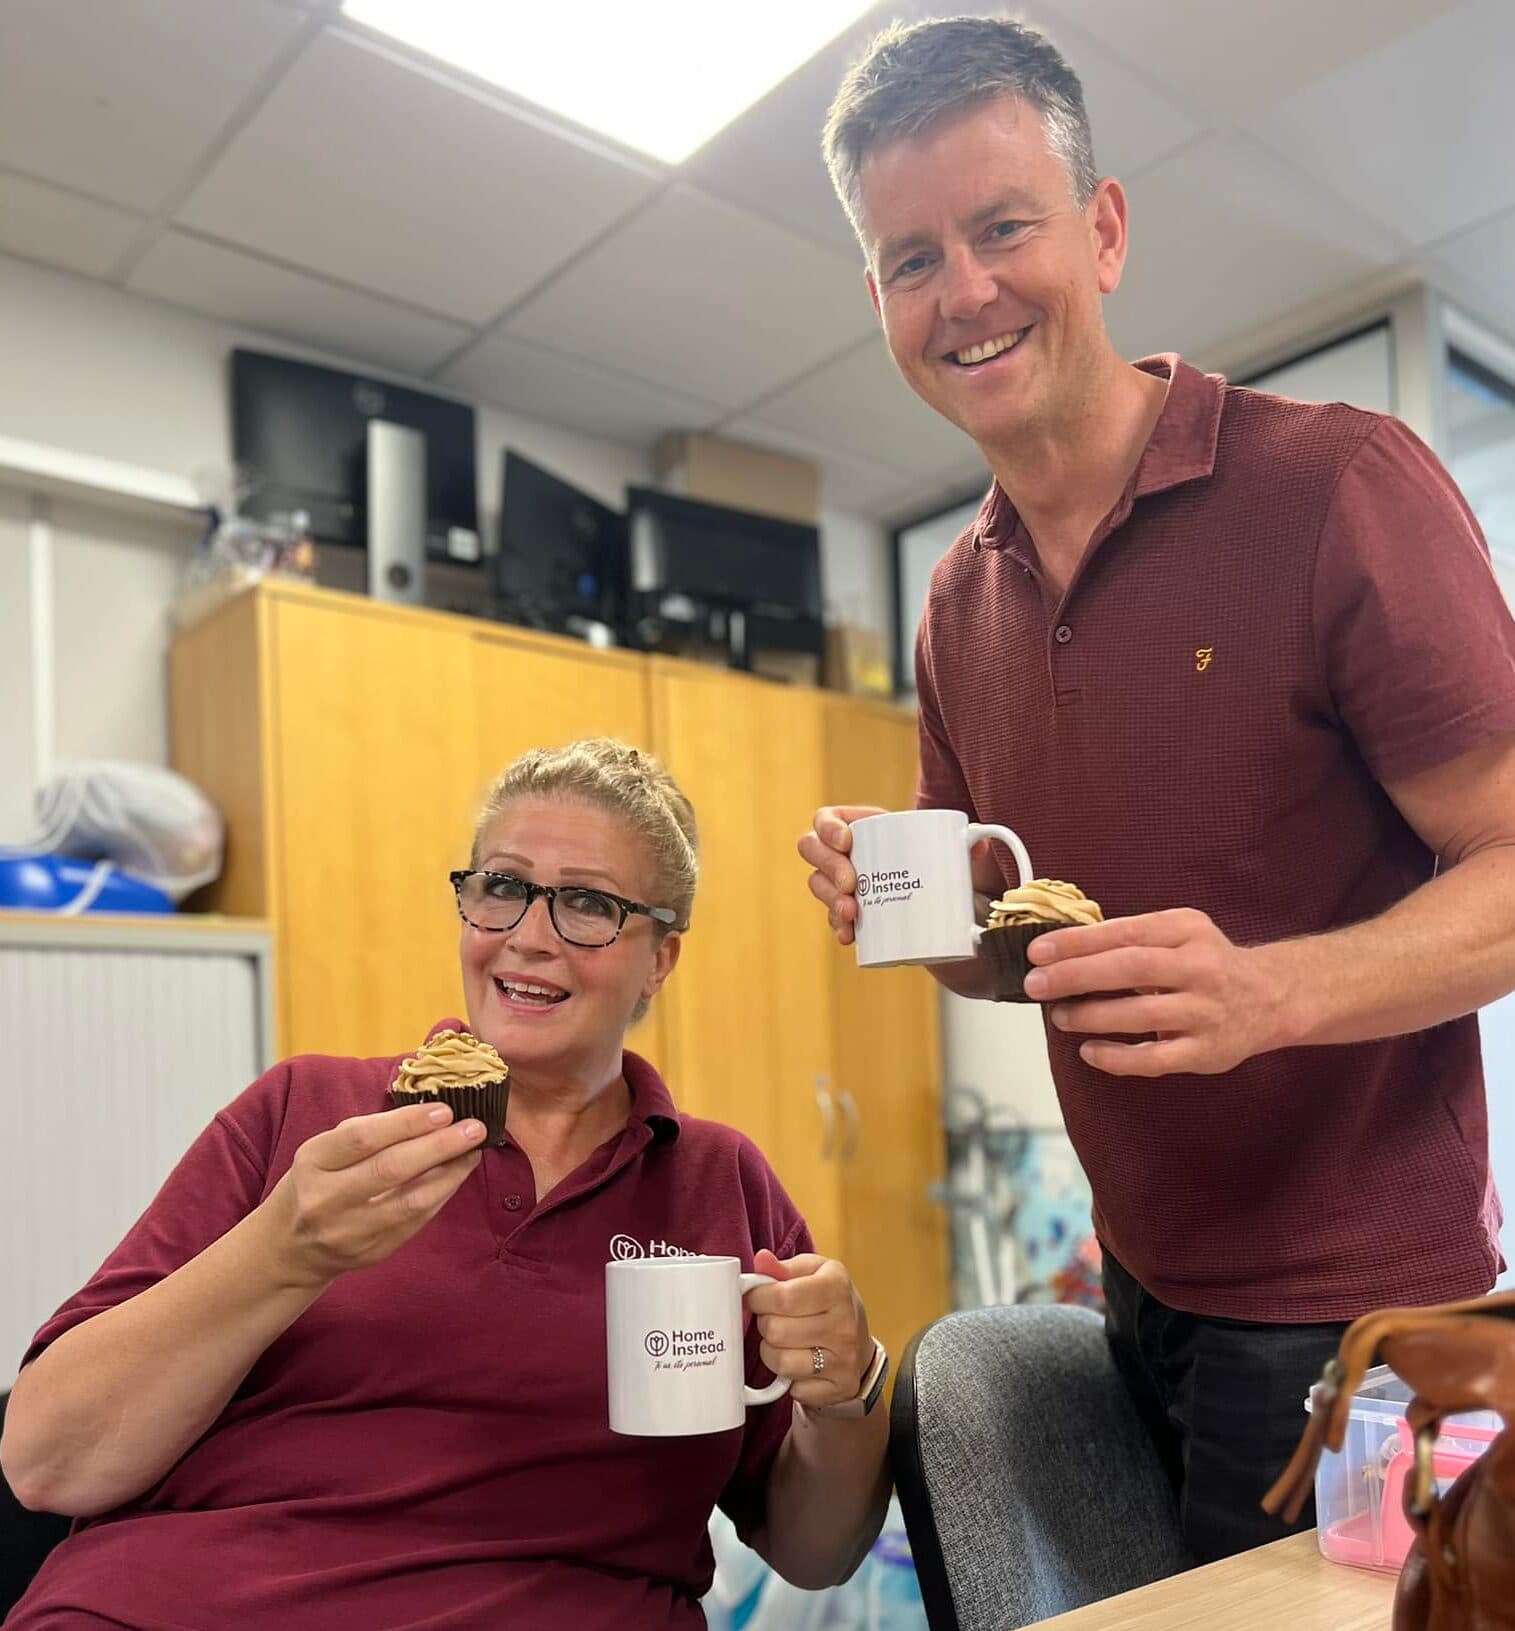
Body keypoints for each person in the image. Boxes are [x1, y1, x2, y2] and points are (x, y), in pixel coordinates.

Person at [800, 15, 1515, 1564]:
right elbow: (1019, 956)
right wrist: (910, 909)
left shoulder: (1335, 485)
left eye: (1002, 228)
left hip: (1359, 1306)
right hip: (1138, 1280)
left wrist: (1266, 992)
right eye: (910, 257)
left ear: (1102, 229)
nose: (964, 291)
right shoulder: (952, 604)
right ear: (876, 299)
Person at [3, 739, 892, 1628]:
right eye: (500, 887)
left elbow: (813, 1552)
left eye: (587, 902)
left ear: (659, 958)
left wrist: (844, 1391)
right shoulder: (306, 1112)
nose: (527, 935)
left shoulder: (717, 1181)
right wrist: (285, 1251)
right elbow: (47, 1462)